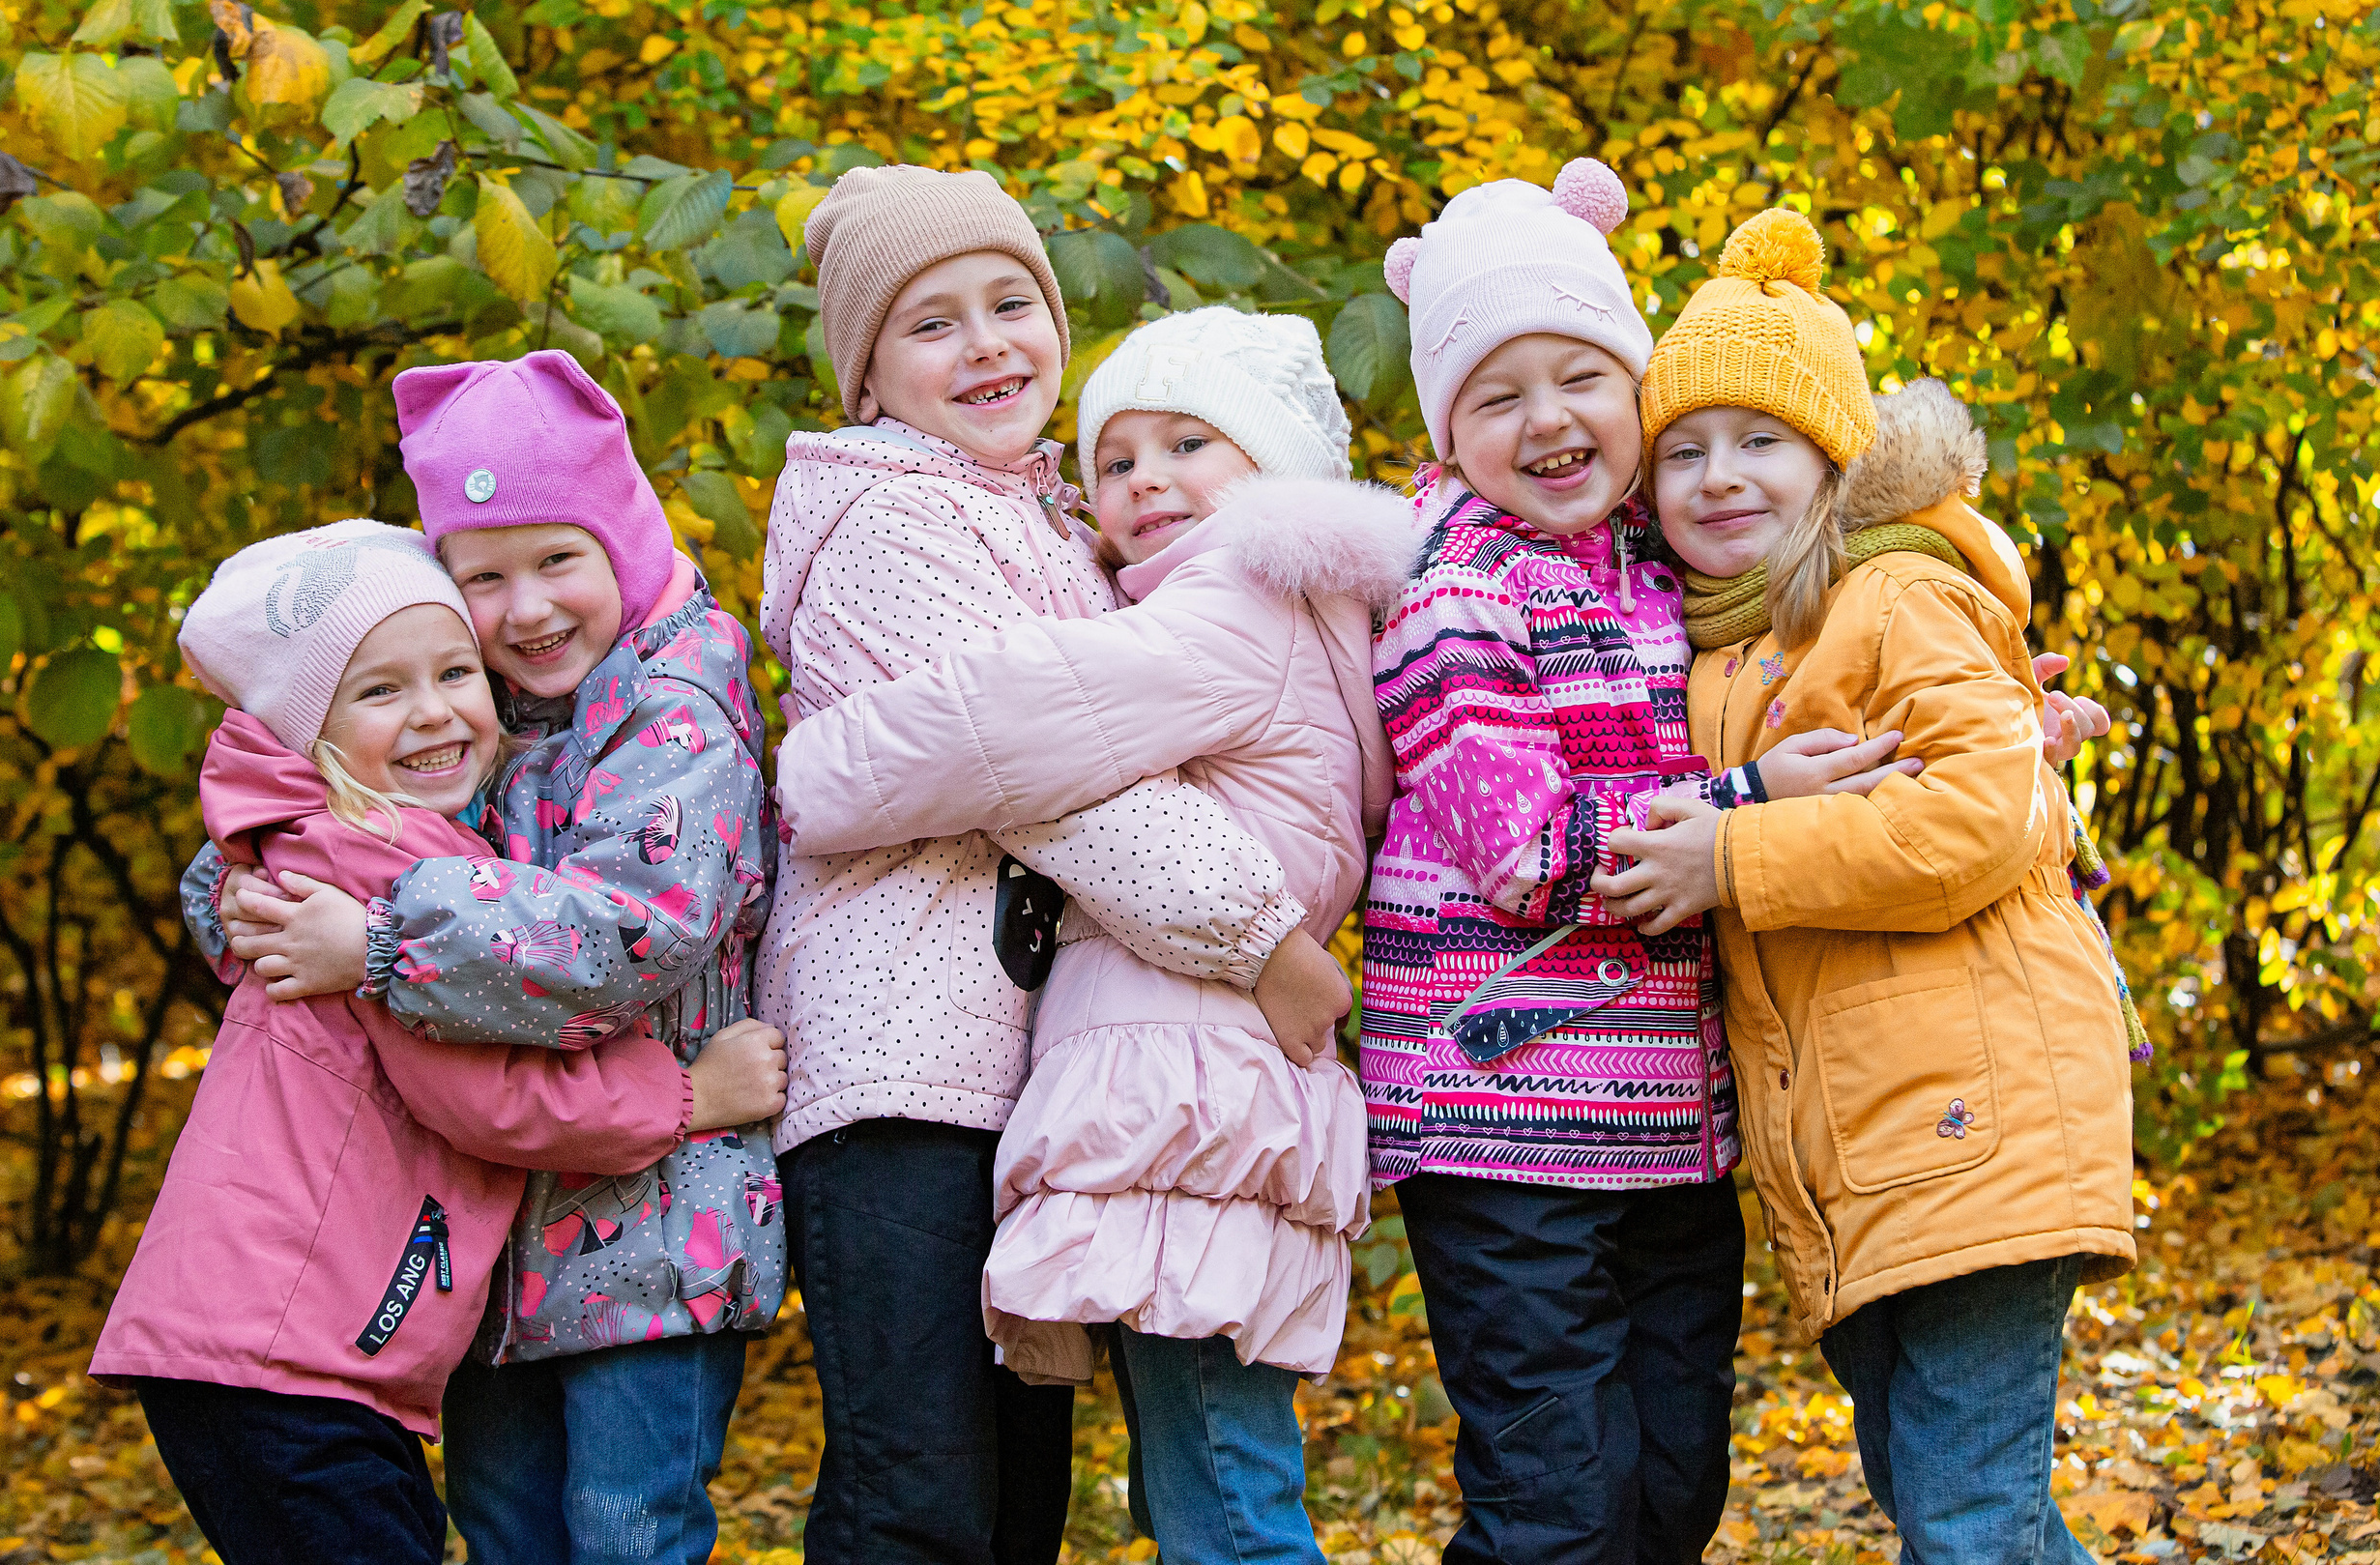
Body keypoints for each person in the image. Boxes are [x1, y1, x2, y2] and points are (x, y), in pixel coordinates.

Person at [757, 167, 1349, 1565]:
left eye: (1011, 302)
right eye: (931, 324)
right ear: (865, 375)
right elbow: (1056, 784)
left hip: (1010, 1067)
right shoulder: (886, 522)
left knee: (1017, 1501)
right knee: (923, 1491)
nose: (987, 345)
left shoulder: (1053, 529)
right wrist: (1258, 933)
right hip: (896, 1058)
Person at [1357, 160, 1945, 1565]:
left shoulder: (1672, 558)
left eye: (1582, 379)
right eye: (1498, 397)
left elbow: (1825, 687)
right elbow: (1519, 846)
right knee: (1555, 1505)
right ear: (1451, 424)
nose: (1550, 420)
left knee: (1673, 1485)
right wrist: (1740, 800)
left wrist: (2002, 710)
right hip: (1500, 1109)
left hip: (1673, 1123)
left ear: (1640, 390)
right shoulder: (1457, 592)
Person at [1597, 207, 2139, 1563]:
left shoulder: (1890, 595)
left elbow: (1975, 814)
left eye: (1762, 439)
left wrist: (1735, 856)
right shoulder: (1721, 651)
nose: (1721, 477)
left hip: (1976, 1113)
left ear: (1837, 457)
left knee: (1961, 1518)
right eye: (1685, 451)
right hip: (1867, 1151)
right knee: (1953, 1496)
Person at [191, 353, 785, 1565]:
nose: (527, 611)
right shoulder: (480, 710)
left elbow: (631, 932)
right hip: (487, 1247)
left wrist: (378, 942)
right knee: (503, 1530)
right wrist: (247, 894)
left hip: (656, 1229)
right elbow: (322, 819)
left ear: (620, 537)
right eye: (484, 579)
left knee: (626, 1531)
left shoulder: (677, 707)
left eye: (558, 560)